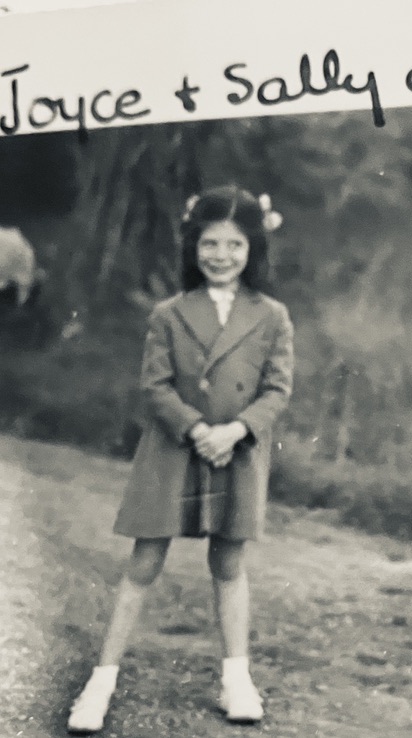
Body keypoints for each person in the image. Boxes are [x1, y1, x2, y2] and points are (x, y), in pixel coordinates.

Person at [67, 185, 294, 732]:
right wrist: (196, 428)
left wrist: (236, 430)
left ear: (253, 249)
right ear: (193, 246)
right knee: (144, 562)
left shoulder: (271, 316)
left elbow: (277, 389)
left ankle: (237, 680)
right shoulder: (170, 313)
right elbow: (155, 385)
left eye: (234, 244)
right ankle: (100, 682)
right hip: (174, 448)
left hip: (236, 452)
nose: (221, 255)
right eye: (209, 243)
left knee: (229, 565)